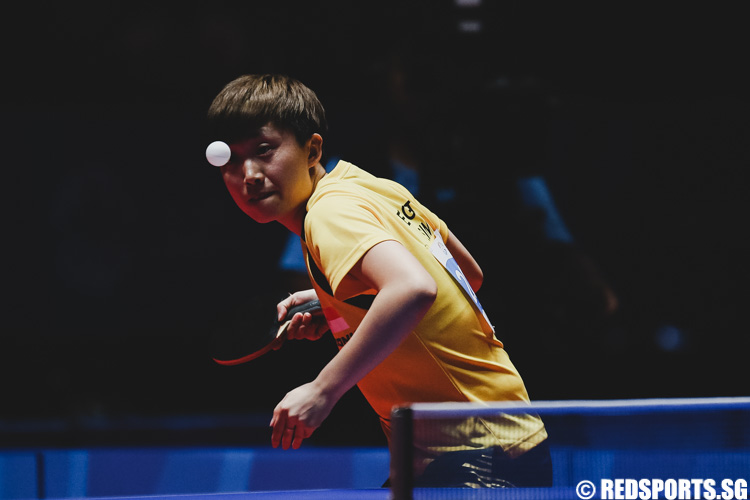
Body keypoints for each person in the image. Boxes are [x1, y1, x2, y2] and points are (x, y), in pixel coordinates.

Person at [206, 74, 552, 487]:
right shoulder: (370, 186)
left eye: (265, 151)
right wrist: (343, 305)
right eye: (232, 161)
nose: (249, 174)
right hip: (501, 442)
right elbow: (467, 276)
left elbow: (413, 288)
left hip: (474, 456)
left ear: (312, 149)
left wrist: (322, 390)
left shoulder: (327, 215)